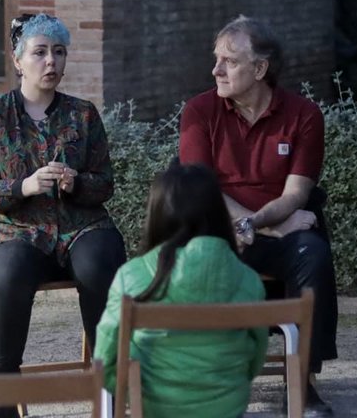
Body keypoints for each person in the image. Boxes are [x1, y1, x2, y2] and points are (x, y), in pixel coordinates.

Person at [0, 13, 126, 418]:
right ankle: (1, 395)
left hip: (81, 227)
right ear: (18, 60)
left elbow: (105, 183)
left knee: (100, 261)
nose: (51, 62)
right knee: (11, 272)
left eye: (59, 52)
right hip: (21, 231)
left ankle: (108, 384)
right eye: (40, 53)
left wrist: (75, 182)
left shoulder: (83, 114)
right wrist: (24, 186)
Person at [179, 15, 337, 416]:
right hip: (221, 230)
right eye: (216, 59)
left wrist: (257, 223)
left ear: (261, 68)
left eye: (228, 61)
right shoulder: (199, 112)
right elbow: (202, 188)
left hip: (275, 230)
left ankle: (302, 383)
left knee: (312, 255)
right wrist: (261, 223)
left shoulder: (304, 115)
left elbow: (297, 193)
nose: (215, 70)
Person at [94, 162, 269, 418]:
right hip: (226, 408)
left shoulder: (130, 277)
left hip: (153, 408)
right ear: (218, 214)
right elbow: (254, 359)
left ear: (156, 215)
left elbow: (105, 361)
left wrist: (130, 395)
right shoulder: (248, 280)